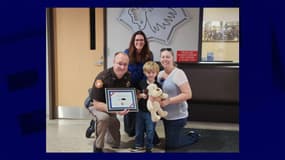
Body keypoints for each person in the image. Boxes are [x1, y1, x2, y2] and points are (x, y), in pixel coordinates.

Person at [157, 48, 200, 151]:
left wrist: (169, 101)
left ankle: (193, 135)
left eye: (168, 57)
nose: (165, 59)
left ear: (173, 58)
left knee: (171, 146)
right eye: (163, 57)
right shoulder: (159, 74)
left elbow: (188, 94)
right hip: (165, 115)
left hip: (177, 117)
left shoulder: (179, 73)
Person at [123, 31, 160, 145]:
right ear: (133, 42)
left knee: (144, 111)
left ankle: (149, 134)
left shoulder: (149, 54)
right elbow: (124, 69)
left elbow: (150, 69)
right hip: (130, 86)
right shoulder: (127, 53)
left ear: (145, 42)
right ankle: (133, 131)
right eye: (137, 40)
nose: (139, 42)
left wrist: (149, 86)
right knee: (130, 119)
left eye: (141, 40)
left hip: (144, 85)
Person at [89, 52, 130, 152]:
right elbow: (96, 103)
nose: (122, 67)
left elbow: (128, 95)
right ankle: (98, 146)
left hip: (112, 107)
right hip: (95, 104)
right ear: (113, 62)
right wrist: (116, 110)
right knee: (103, 118)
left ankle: (94, 125)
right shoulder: (102, 78)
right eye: (119, 63)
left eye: (125, 64)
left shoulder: (127, 76)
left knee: (114, 143)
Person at [130, 61, 161, 153]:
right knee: (139, 129)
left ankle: (149, 147)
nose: (151, 74)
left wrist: (154, 99)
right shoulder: (141, 83)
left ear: (156, 73)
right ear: (144, 72)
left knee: (150, 130)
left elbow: (160, 98)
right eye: (148, 72)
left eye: (153, 72)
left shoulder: (158, 85)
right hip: (140, 111)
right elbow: (136, 95)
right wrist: (140, 96)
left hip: (151, 112)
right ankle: (139, 145)